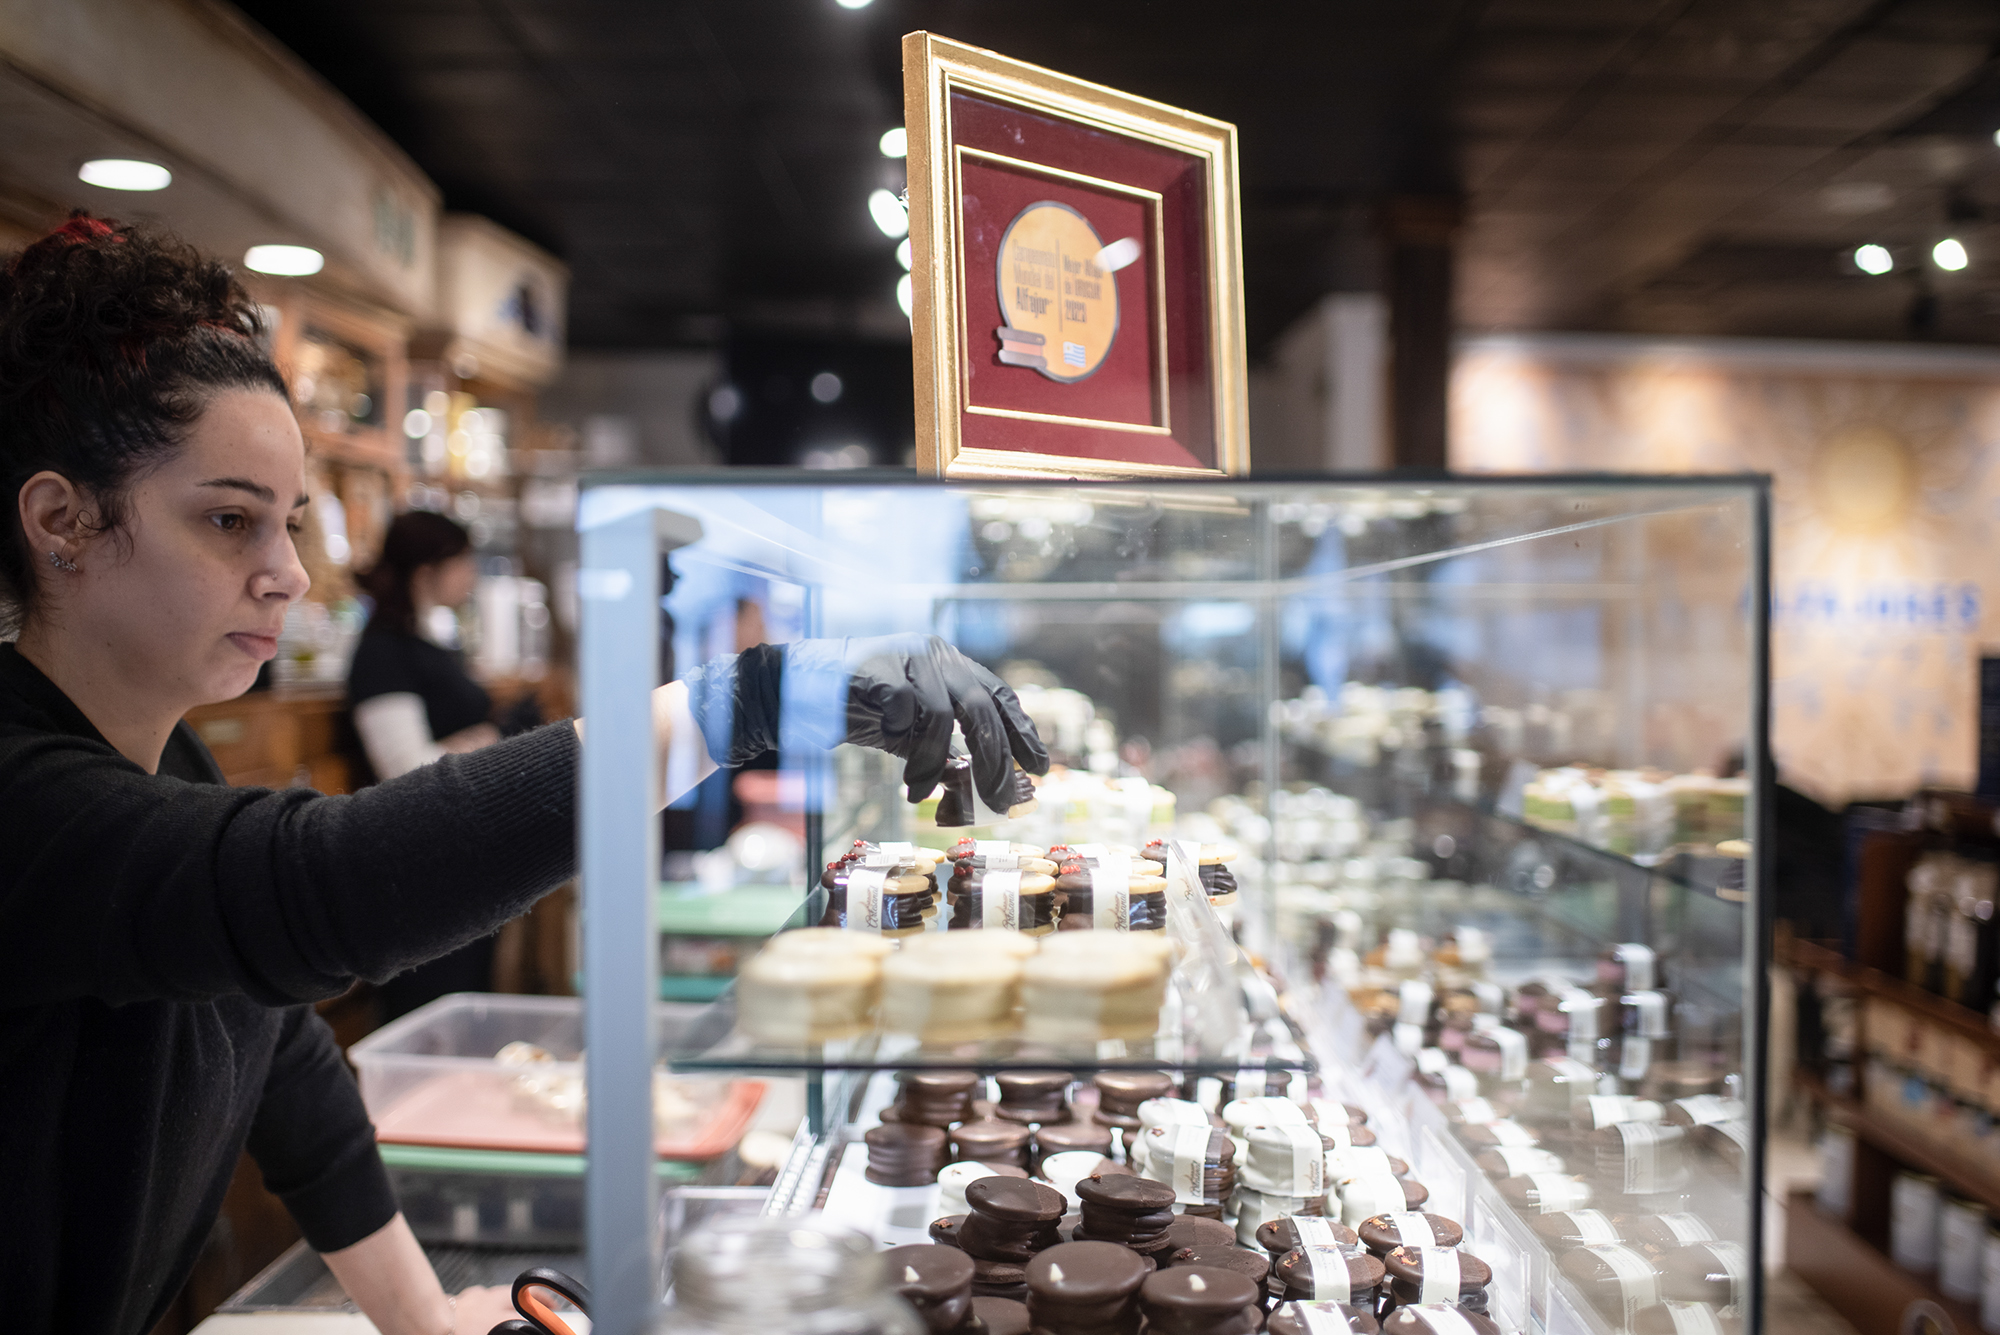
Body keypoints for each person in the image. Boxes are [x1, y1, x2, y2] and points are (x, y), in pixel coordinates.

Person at [0, 214, 1047, 1334]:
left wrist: (425, 1319)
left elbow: (283, 1058)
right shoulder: (22, 793)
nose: (289, 574)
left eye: (289, 524)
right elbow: (320, 885)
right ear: (64, 522)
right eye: (228, 521)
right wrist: (742, 701)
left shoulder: (174, 758)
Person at [347, 510, 509, 1019]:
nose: (471, 575)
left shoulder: (431, 643)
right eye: (462, 562)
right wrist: (492, 742)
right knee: (429, 1012)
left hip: (463, 857)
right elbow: (405, 770)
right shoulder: (383, 653)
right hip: (420, 867)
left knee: (468, 1006)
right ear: (426, 571)